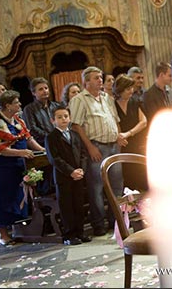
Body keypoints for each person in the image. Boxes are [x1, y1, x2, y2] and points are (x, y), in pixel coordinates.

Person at [0, 90, 45, 246]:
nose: (20, 104)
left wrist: (43, 150)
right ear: (7, 105)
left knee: (16, 198)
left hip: (16, 165)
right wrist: (21, 152)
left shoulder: (17, 119)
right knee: (0, 200)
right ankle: (2, 235)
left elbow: (28, 139)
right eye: (16, 102)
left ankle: (17, 230)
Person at [68, 66, 124, 236]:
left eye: (100, 77)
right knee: (97, 188)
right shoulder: (79, 99)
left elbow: (115, 120)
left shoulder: (107, 97)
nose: (100, 80)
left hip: (113, 145)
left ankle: (116, 221)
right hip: (96, 147)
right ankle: (99, 224)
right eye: (96, 78)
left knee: (116, 186)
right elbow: (76, 125)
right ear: (86, 81)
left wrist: (119, 137)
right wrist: (90, 147)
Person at [45, 105, 91, 245]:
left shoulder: (75, 135)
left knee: (78, 205)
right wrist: (71, 171)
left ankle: (80, 232)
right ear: (53, 120)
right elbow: (55, 159)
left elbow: (83, 154)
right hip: (63, 177)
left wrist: (81, 169)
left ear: (70, 118)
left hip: (78, 175)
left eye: (65, 116)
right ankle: (69, 235)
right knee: (67, 207)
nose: (63, 119)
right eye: (59, 117)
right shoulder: (51, 137)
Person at [22, 77, 59, 196]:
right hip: (42, 146)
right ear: (34, 93)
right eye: (40, 89)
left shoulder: (55, 106)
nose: (45, 91)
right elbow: (32, 129)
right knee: (47, 177)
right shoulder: (29, 109)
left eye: (46, 88)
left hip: (58, 144)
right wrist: (52, 138)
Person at [113, 74, 148, 191]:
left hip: (138, 143)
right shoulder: (112, 105)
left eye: (131, 88)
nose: (131, 91)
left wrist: (128, 133)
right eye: (128, 89)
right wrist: (120, 136)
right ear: (120, 90)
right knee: (128, 180)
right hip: (123, 146)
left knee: (143, 177)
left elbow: (143, 122)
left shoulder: (135, 101)